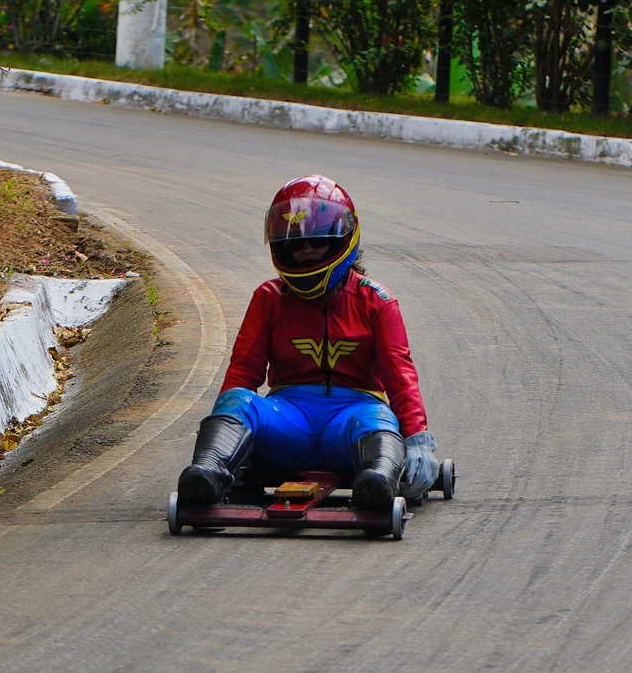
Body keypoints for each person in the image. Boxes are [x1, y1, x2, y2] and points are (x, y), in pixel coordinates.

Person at [177, 174, 438, 511]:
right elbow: (243, 373)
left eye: (317, 242)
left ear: (342, 239)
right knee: (238, 400)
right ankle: (207, 473)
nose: (306, 253)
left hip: (353, 420)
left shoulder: (376, 301)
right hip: (287, 420)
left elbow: (398, 373)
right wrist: (227, 425)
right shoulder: (269, 298)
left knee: (379, 418)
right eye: (296, 246)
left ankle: (378, 479)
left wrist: (417, 440)